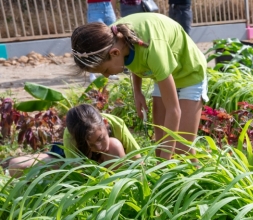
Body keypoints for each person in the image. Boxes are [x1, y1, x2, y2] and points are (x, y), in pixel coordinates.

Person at [71, 13, 207, 159]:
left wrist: (164, 165)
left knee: (182, 148)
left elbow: (174, 110)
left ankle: (203, 179)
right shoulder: (110, 39)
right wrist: (137, 91)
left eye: (105, 70)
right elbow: (134, 57)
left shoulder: (153, 50)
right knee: (161, 146)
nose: (105, 76)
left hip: (189, 73)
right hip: (163, 74)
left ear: (115, 53)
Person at [4, 104, 140, 177]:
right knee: (15, 166)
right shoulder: (69, 136)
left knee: (113, 145)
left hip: (114, 162)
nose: (99, 147)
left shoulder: (117, 124)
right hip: (79, 166)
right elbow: (78, 174)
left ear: (104, 123)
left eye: (101, 138)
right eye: (91, 144)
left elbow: (138, 161)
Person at [87, 1, 118, 82]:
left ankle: (110, 70)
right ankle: (92, 72)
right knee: (95, 40)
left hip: (108, 5)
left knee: (112, 38)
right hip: (94, 7)